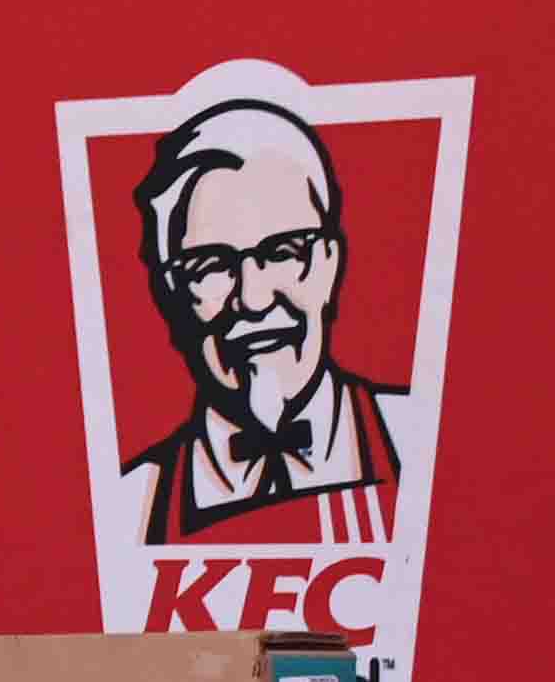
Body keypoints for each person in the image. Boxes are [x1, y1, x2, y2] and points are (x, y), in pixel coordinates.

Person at [118, 95, 401, 548]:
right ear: (170, 294)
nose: (253, 299)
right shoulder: (127, 508)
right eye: (211, 265)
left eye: (284, 252)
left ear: (330, 264)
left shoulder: (419, 439)